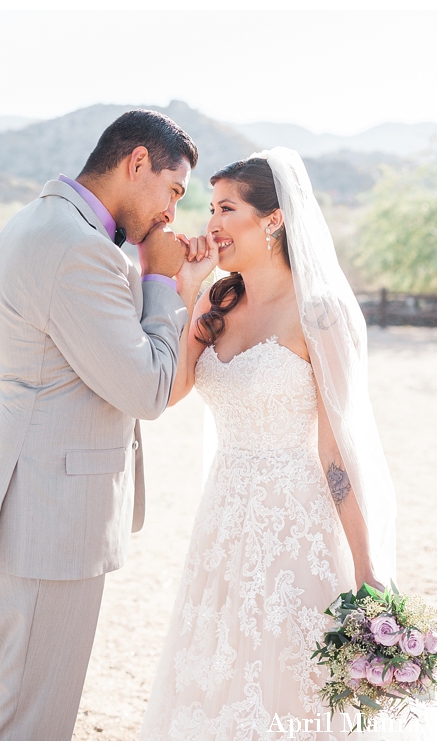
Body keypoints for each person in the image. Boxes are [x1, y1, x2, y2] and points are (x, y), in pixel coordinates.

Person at [0, 109, 214, 740]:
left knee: (16, 711)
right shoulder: (80, 251)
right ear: (136, 165)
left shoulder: (28, 223)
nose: (169, 215)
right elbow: (151, 390)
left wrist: (27, 423)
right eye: (173, 192)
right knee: (32, 728)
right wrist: (161, 280)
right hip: (49, 525)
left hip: (21, 511)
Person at [140, 148, 397, 740]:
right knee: (214, 677)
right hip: (222, 521)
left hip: (293, 530)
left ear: (274, 219)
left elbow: (338, 455)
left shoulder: (321, 314)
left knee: (286, 684)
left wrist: (367, 568)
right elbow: (173, 392)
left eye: (227, 208)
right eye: (209, 208)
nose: (211, 224)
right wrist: (188, 291)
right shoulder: (216, 303)